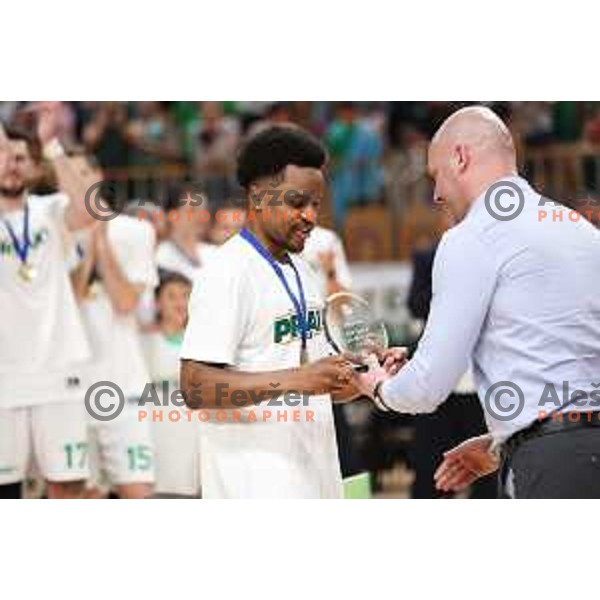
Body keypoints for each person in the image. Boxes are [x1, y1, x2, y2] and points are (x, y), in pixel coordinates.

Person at [358, 106, 600, 499]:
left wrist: (379, 388)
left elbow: (428, 384)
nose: (436, 194)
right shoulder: (579, 229)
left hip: (552, 464)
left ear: (459, 157)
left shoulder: (471, 236)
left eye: (436, 175)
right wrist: (505, 440)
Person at [179, 126, 396, 499]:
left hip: (316, 477)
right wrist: (296, 379)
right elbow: (195, 386)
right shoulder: (226, 271)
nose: (311, 216)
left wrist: (366, 378)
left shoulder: (304, 270)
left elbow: (316, 384)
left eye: (316, 204)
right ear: (259, 197)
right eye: (298, 203)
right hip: (253, 486)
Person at [0, 103, 98, 499]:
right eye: (3, 156)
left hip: (58, 370)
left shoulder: (48, 210)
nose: (11, 164)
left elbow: (90, 210)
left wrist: (51, 145)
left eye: (19, 158)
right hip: (4, 377)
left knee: (67, 487)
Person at [70, 152, 158, 499]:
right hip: (71, 387)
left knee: (137, 492)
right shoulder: (56, 235)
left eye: (81, 174)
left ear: (98, 174)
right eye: (67, 177)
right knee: (81, 495)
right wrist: (87, 243)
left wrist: (102, 241)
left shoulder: (136, 231)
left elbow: (126, 302)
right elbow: (72, 302)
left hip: (124, 384)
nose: (73, 184)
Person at [143, 271, 201, 497]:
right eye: (172, 296)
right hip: (155, 437)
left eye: (185, 295)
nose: (180, 302)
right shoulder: (144, 342)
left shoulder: (204, 344)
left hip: (191, 440)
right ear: (158, 303)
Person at [155, 188, 218, 281]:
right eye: (192, 210)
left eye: (203, 210)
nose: (201, 216)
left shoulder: (214, 253)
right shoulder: (160, 256)